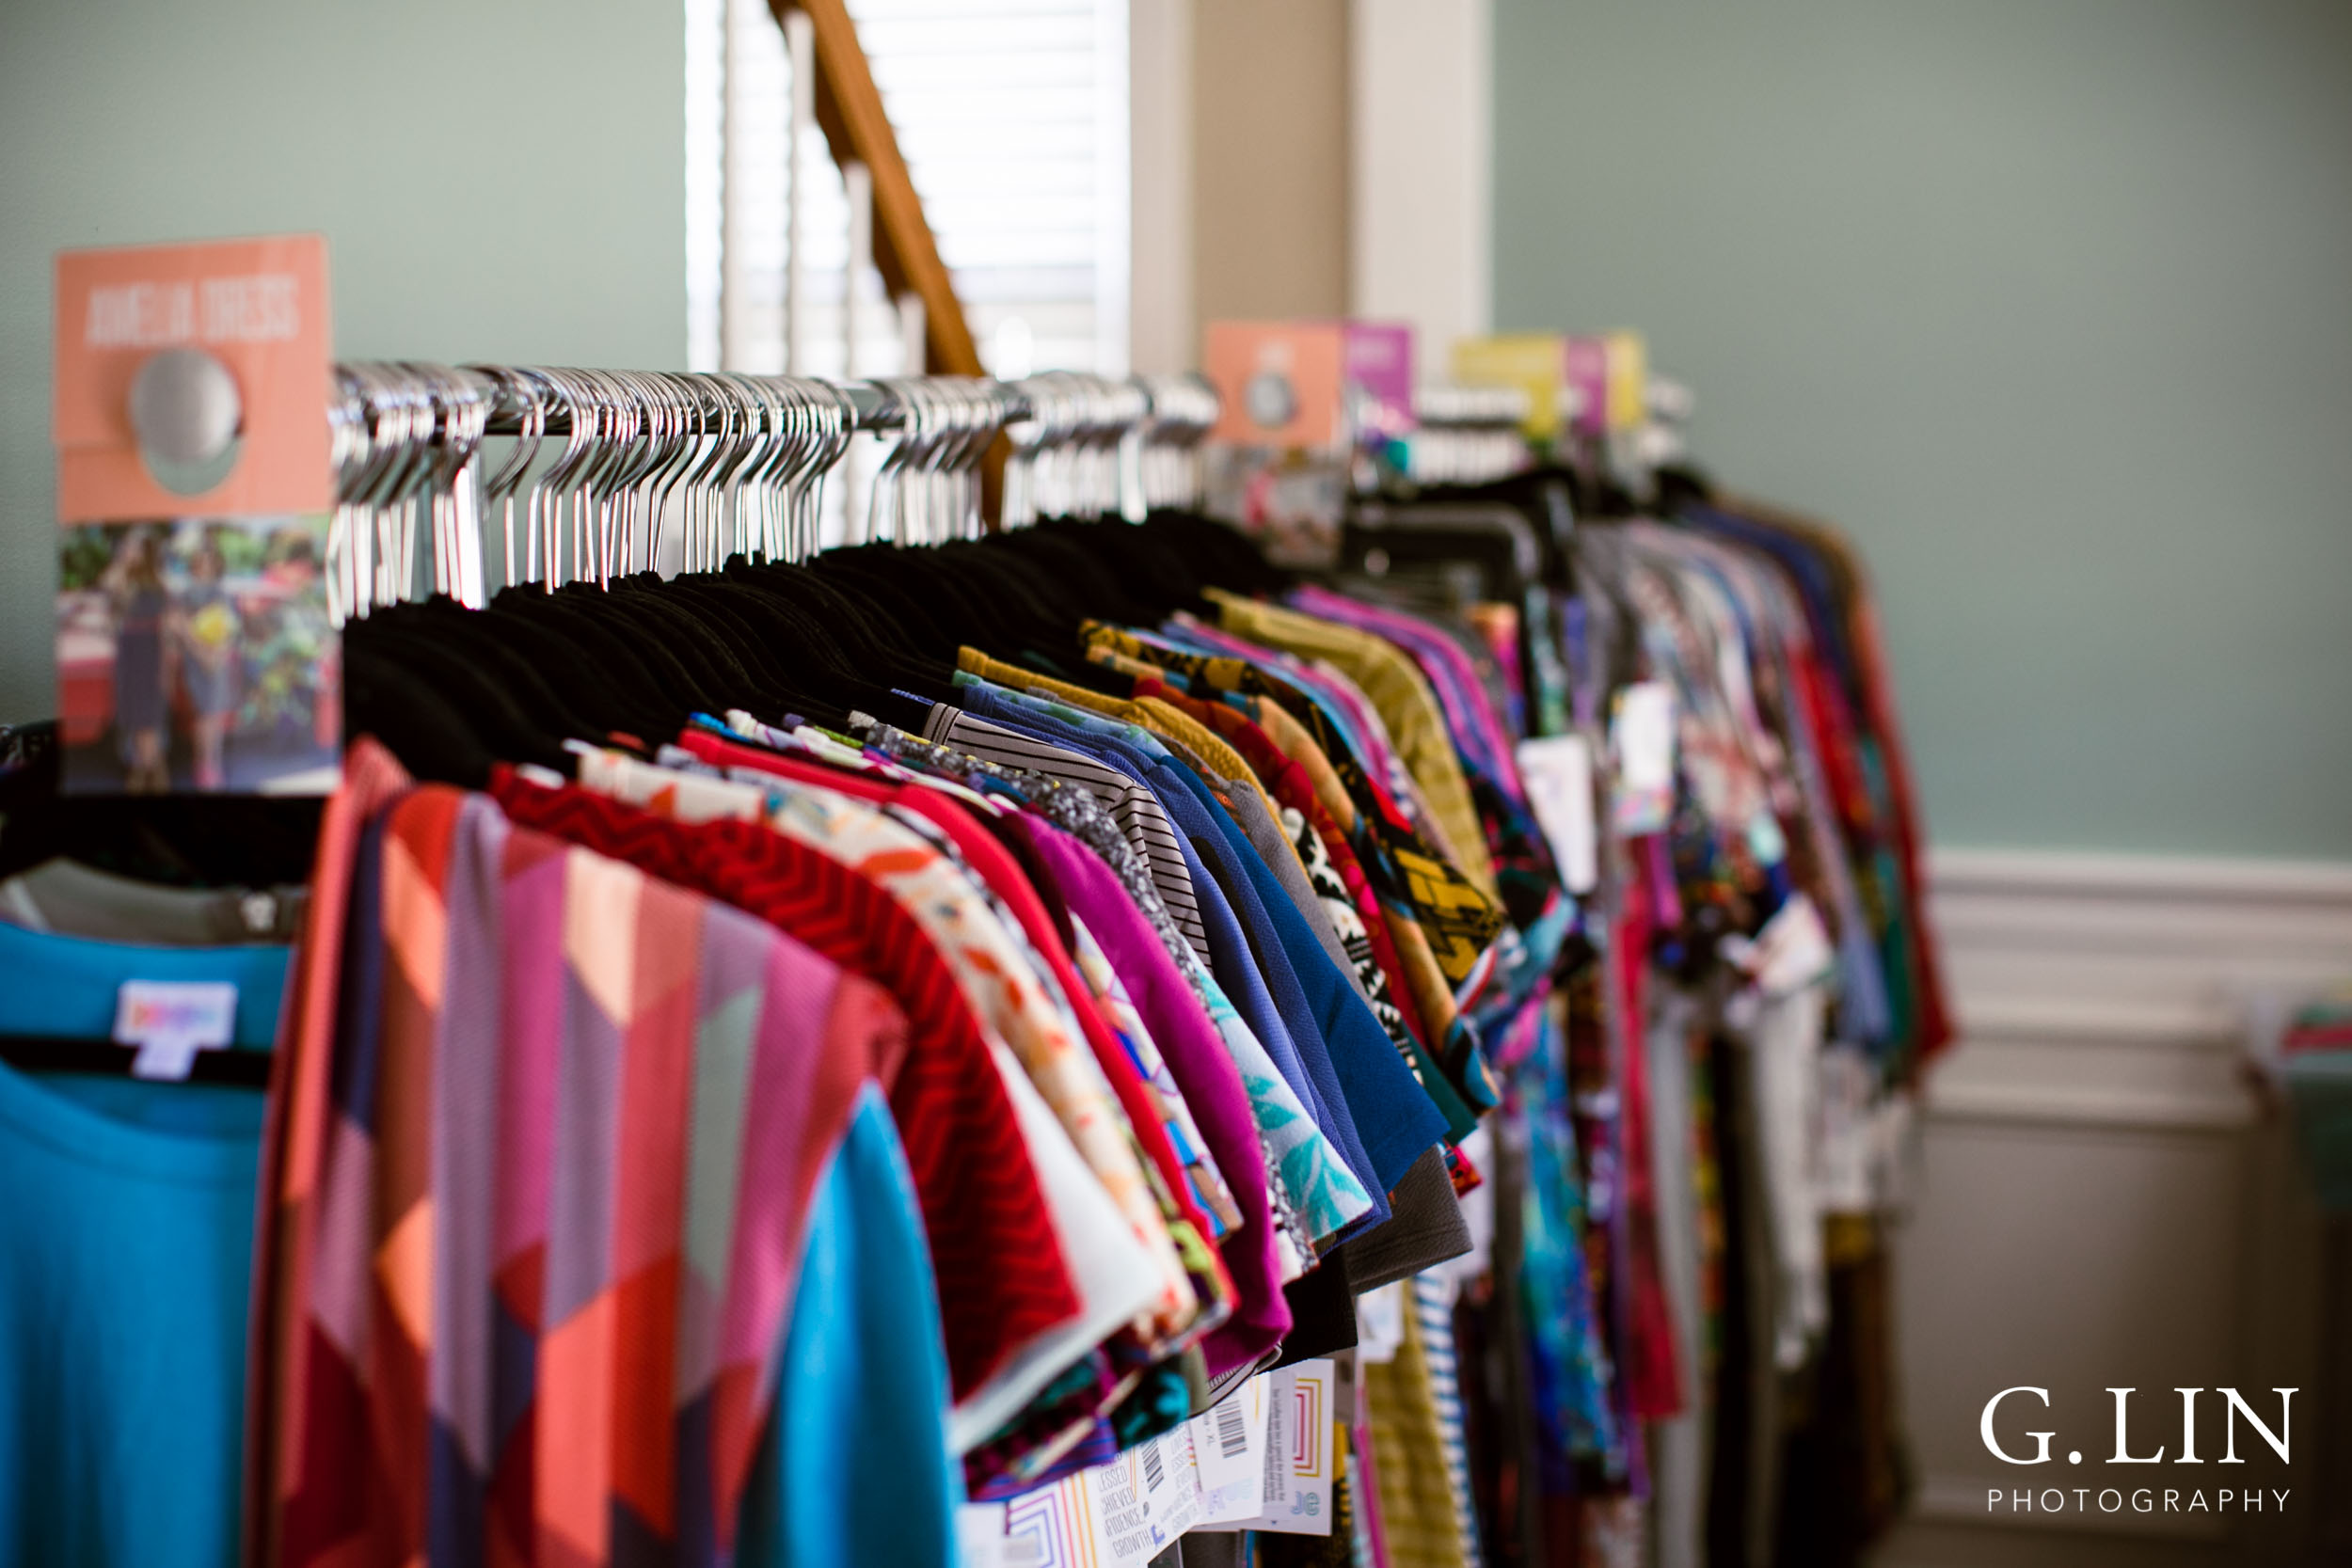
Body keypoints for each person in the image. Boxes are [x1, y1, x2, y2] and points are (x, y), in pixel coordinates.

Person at [102, 527, 171, 793]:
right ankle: (147, 779)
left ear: (147, 552)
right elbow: (108, 594)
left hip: (149, 659)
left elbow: (165, 633)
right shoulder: (120, 580)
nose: (129, 550)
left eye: (136, 547)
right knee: (139, 730)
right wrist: (122, 563)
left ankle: (140, 781)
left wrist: (165, 672)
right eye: (127, 546)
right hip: (128, 659)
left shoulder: (159, 584)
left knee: (148, 730)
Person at [177, 532, 242, 790]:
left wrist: (219, 654)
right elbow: (181, 629)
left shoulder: (222, 593)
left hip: (218, 662)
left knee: (215, 716)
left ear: (216, 564)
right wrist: (203, 653)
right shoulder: (187, 595)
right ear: (194, 564)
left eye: (209, 561)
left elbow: (231, 629)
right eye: (200, 562)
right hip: (197, 661)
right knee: (204, 715)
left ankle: (213, 763)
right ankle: (204, 766)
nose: (204, 566)